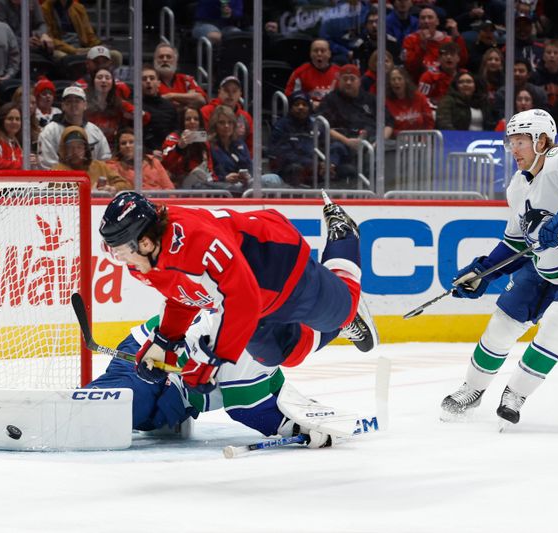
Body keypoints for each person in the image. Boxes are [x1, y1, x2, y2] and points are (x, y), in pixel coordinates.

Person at [97, 188, 379, 394]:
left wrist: (210, 360)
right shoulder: (144, 261)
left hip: (280, 268)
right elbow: (184, 292)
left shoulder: (197, 243)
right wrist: (166, 342)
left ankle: (343, 234)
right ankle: (343, 324)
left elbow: (242, 300)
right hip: (249, 296)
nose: (119, 258)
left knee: (343, 308)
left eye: (121, 250)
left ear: (145, 243)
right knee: (282, 354)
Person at [441, 108, 558, 427]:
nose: (513, 150)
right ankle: (472, 389)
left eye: (520, 142)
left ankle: (516, 393)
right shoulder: (517, 186)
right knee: (502, 324)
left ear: (542, 141)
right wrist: (482, 272)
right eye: (511, 143)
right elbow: (517, 244)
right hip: (544, 270)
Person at [87, 310, 350, 448]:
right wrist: (297, 428)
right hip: (146, 351)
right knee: (129, 401)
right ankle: (73, 406)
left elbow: (275, 390)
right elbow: (247, 411)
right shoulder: (251, 343)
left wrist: (308, 417)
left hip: (181, 390)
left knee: (156, 416)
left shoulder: (269, 343)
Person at [38, 85, 111, 169]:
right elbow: (47, 164)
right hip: (61, 180)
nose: (73, 104)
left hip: (90, 179)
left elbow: (105, 161)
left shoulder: (95, 131)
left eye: (77, 101)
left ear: (85, 105)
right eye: (69, 101)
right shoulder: (49, 131)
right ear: (63, 106)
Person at [51, 125, 126, 192]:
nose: (75, 152)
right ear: (64, 150)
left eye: (79, 147)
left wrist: (113, 188)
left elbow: (126, 185)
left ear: (85, 148)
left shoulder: (100, 166)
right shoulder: (56, 171)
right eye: (70, 147)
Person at [267, 91, 316, 188]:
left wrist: (328, 163)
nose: (300, 107)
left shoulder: (315, 125)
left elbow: (325, 146)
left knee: (346, 170)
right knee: (295, 169)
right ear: (290, 107)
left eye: (304, 104)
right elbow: (282, 153)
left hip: (313, 167)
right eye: (297, 104)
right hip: (287, 167)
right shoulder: (281, 126)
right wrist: (310, 163)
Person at [161, 106, 217, 187]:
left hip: (204, 182)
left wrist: (214, 181)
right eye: (188, 119)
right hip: (179, 184)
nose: (192, 122)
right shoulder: (173, 138)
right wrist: (179, 147)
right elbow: (165, 163)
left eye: (196, 119)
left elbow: (209, 168)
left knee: (229, 188)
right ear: (182, 122)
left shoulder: (203, 141)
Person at [106, 127, 174, 191]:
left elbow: (169, 188)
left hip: (158, 201)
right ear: (119, 147)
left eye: (131, 142)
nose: (128, 145)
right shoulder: (113, 167)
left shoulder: (153, 162)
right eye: (123, 143)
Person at [283, 39, 340, 109]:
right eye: (315, 51)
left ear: (329, 54)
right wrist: (309, 103)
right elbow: (290, 96)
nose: (319, 54)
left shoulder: (340, 73)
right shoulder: (300, 72)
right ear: (310, 54)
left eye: (323, 51)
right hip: (308, 113)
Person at [201, 75, 254, 152]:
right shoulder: (206, 111)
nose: (230, 94)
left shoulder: (246, 117)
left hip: (240, 158)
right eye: (226, 90)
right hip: (212, 157)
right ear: (219, 92)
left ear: (240, 94)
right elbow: (201, 138)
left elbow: (251, 144)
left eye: (234, 91)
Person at [85, 67, 135, 147]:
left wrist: (132, 115)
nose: (104, 81)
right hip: (88, 147)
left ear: (112, 83)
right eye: (99, 77)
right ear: (93, 82)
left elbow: (144, 117)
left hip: (113, 148)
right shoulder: (84, 103)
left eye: (107, 78)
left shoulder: (120, 104)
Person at [153, 43, 207, 109]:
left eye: (169, 57)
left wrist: (171, 96)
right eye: (161, 57)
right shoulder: (149, 80)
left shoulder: (186, 79)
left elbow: (201, 100)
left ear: (176, 61)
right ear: (155, 61)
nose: (165, 60)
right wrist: (186, 99)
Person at [386, 67, 434, 136]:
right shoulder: (386, 102)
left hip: (420, 141)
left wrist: (425, 138)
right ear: (389, 83)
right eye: (393, 80)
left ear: (406, 81)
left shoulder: (419, 97)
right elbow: (386, 127)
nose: (396, 82)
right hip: (396, 141)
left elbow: (429, 121)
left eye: (399, 79)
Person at [141, 65, 178, 155]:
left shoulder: (169, 107)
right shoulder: (135, 107)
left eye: (152, 78)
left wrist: (168, 149)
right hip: (143, 155)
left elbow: (176, 130)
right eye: (144, 79)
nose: (148, 81)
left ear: (158, 83)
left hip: (167, 153)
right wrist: (149, 152)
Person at [418, 41, 462, 108]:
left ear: (458, 58)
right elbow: (421, 100)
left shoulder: (464, 75)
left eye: (452, 54)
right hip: (435, 110)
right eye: (445, 54)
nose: (449, 57)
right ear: (439, 58)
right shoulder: (428, 76)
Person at [530, 40, 558, 109]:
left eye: (555, 53)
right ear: (543, 56)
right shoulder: (534, 77)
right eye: (548, 52)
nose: (552, 55)